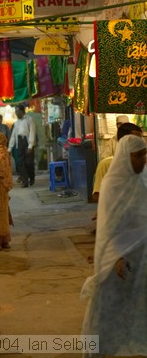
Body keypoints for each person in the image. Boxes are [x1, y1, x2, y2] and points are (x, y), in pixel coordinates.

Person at [81, 134, 147, 357]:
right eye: (138, 156)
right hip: (115, 260)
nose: (143, 160)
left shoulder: (143, 181)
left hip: (141, 257)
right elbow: (108, 227)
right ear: (126, 157)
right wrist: (117, 257)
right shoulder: (112, 184)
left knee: (137, 306)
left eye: (145, 155)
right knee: (109, 310)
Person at [92, 122, 142, 203]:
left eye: (140, 139)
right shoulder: (106, 164)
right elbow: (97, 195)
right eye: (135, 139)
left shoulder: (141, 162)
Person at [8, 105, 36, 188]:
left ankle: (32, 177)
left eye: (17, 111)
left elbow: (32, 132)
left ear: (22, 111)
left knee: (29, 162)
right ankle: (24, 181)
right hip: (19, 142)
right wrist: (9, 148)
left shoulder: (29, 119)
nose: (16, 113)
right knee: (21, 163)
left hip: (27, 142)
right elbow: (13, 135)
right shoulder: (16, 123)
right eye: (15, 111)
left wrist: (30, 146)